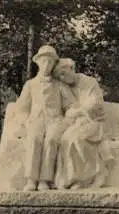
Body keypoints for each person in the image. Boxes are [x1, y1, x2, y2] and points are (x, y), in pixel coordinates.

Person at [14, 46, 77, 191]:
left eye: (50, 62)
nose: (47, 65)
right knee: (35, 138)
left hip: (55, 120)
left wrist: (70, 117)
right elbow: (22, 107)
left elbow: (71, 105)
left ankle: (45, 179)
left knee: (52, 140)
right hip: (36, 120)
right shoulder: (30, 85)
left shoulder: (59, 85)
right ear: (38, 63)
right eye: (44, 61)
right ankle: (31, 179)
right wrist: (25, 121)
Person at [52, 58, 114, 189]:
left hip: (94, 121)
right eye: (59, 76)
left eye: (63, 73)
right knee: (65, 139)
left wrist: (79, 111)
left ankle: (92, 176)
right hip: (76, 123)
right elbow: (66, 108)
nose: (62, 78)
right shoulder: (65, 88)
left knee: (78, 139)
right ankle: (70, 179)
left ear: (71, 68)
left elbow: (96, 103)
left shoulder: (89, 82)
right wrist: (71, 113)